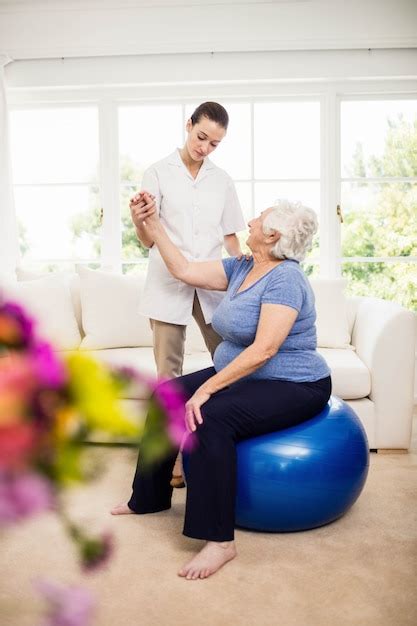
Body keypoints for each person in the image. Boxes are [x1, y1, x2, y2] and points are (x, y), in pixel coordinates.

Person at [112, 197, 331, 580]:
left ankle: (219, 542)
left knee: (209, 417)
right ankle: (148, 498)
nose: (249, 220)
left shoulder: (287, 279)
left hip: (294, 383)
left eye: (258, 218)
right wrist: (154, 224)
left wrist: (207, 388)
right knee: (168, 396)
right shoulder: (244, 266)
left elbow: (264, 350)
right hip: (246, 374)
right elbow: (182, 269)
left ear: (272, 234)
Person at [129, 102, 246, 487]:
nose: (205, 148)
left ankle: (223, 446)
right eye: (201, 137)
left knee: (228, 366)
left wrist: (246, 276)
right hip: (167, 282)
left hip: (212, 282)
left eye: (215, 143)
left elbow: (231, 236)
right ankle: (173, 462)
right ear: (188, 125)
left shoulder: (222, 179)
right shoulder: (158, 172)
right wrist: (140, 219)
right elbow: (149, 238)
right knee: (168, 377)